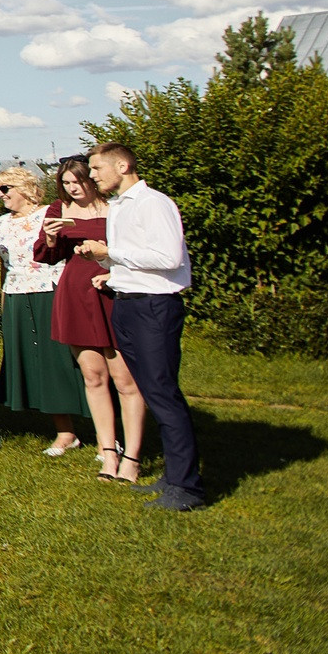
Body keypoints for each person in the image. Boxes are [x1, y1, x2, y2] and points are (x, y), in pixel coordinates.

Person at [77, 142, 202, 511]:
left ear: (123, 165)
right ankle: (174, 477)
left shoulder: (153, 203)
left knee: (163, 393)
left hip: (154, 308)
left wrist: (110, 253)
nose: (92, 176)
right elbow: (134, 259)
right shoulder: (120, 206)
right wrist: (107, 267)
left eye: (97, 168)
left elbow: (169, 257)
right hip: (127, 304)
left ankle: (188, 488)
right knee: (151, 390)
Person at [36, 157, 145, 484]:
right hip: (75, 294)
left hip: (113, 294)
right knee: (93, 377)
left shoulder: (116, 208)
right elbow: (46, 256)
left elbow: (137, 252)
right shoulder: (58, 209)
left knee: (125, 380)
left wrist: (114, 274)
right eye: (66, 183)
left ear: (92, 179)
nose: (73, 188)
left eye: (78, 181)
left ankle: (132, 457)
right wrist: (50, 239)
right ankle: (107, 453)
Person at [0, 167, 86, 455]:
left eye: (5, 188)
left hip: (51, 290)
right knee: (37, 361)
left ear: (24, 188)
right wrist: (4, 296)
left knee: (63, 358)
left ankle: (105, 429)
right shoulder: (2, 222)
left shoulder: (49, 214)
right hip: (17, 294)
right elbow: (5, 264)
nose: (0, 194)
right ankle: (65, 431)